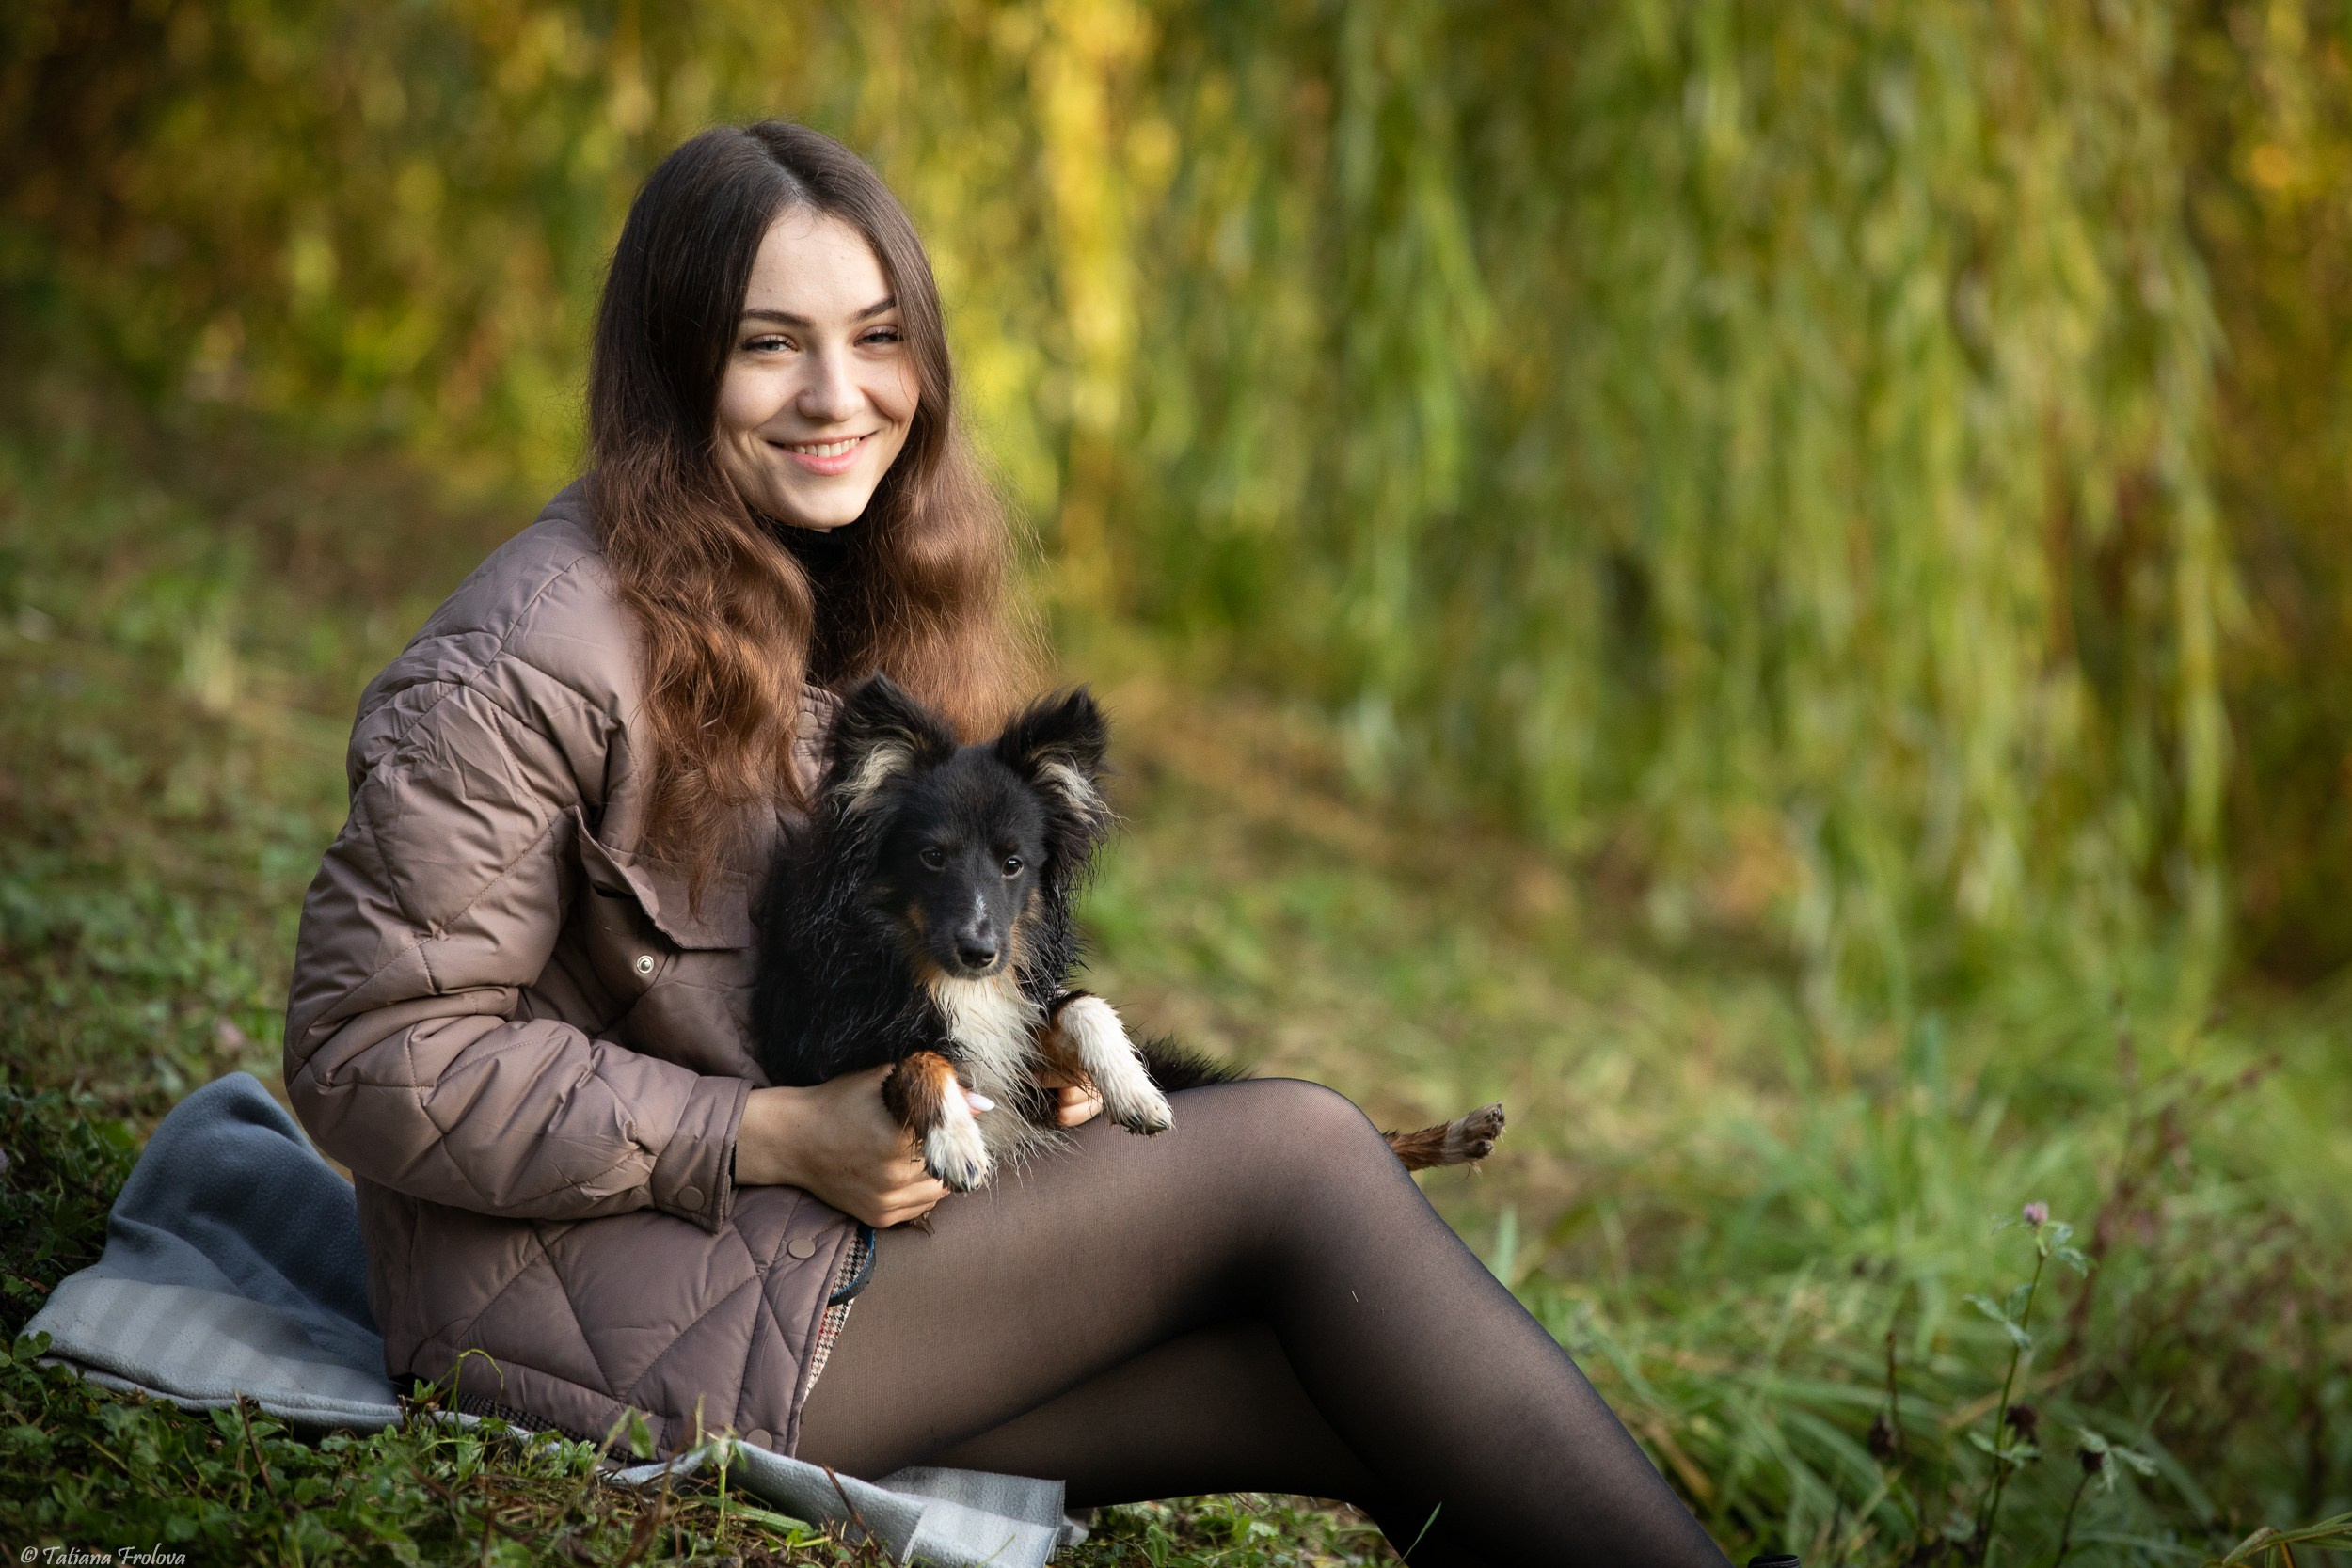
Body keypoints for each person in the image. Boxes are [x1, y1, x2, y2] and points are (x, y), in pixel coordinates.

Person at [281, 120, 1730, 1567]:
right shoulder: (522, 657)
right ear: (673, 368)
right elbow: (372, 1049)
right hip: (576, 1297)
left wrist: (1010, 1071)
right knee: (1296, 1154)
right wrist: (770, 1134)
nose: (840, 394)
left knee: (1353, 1386)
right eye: (771, 345)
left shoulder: (840, 590)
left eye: (878, 337)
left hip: (788, 1254)